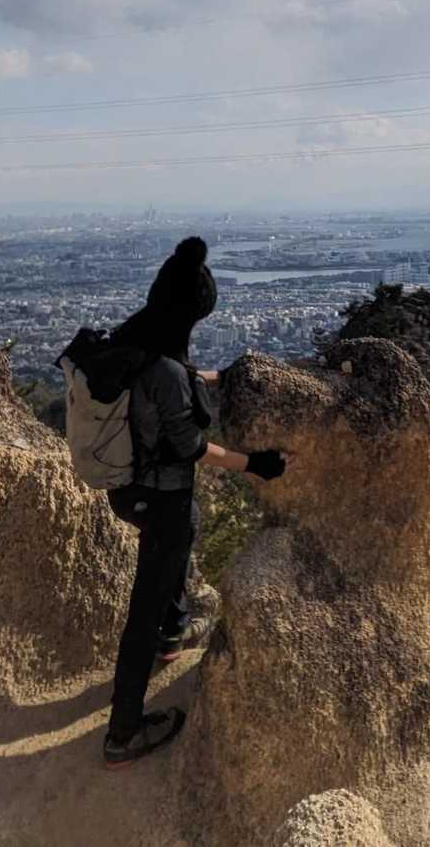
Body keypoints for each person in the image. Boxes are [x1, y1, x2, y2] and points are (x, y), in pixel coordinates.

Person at [102, 235, 292, 769]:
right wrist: (255, 463)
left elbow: (167, 382)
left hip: (128, 488)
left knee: (178, 546)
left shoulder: (132, 340)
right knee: (145, 606)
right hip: (160, 495)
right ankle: (122, 733)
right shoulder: (165, 369)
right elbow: (190, 446)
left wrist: (216, 377)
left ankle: (172, 634)